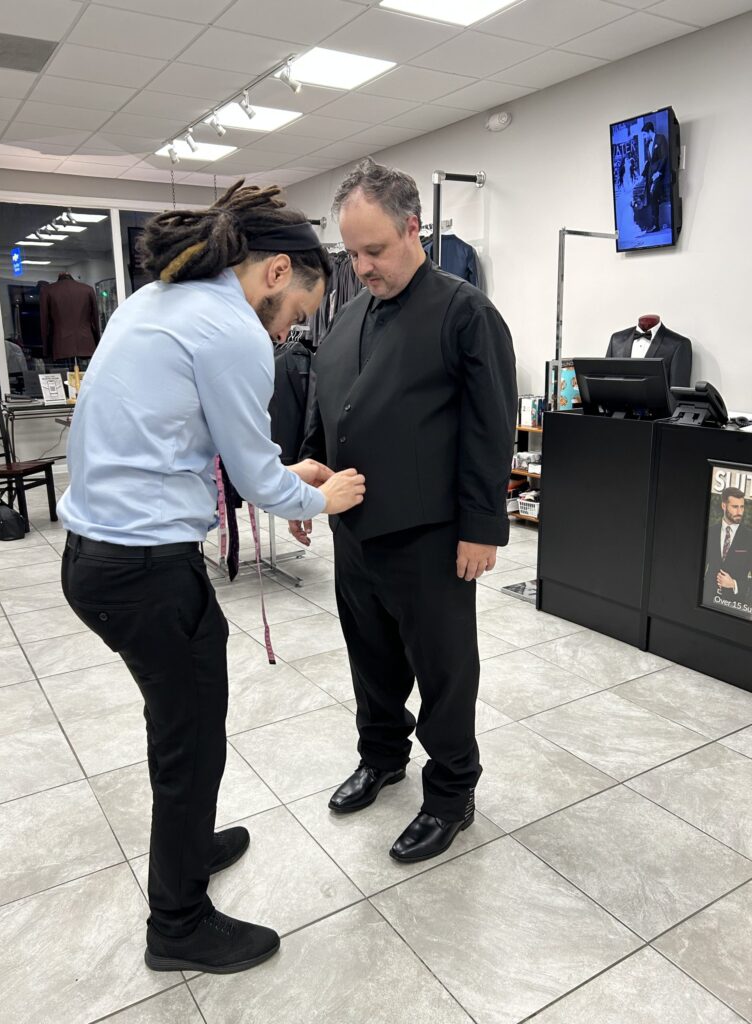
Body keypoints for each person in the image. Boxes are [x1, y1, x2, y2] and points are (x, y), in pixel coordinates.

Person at [58, 180, 366, 975]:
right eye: (300, 308)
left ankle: (189, 850)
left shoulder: (155, 301)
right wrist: (316, 494)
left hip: (97, 556)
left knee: (185, 722)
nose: (294, 324)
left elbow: (181, 438)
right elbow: (259, 479)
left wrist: (280, 472)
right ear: (273, 274)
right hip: (143, 571)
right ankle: (180, 925)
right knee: (191, 742)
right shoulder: (231, 330)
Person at [293, 158, 517, 863]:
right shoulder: (352, 312)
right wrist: (306, 481)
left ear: (414, 228)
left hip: (430, 535)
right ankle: (382, 754)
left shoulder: (464, 312)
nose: (362, 266)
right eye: (352, 253)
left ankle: (451, 793)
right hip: (355, 528)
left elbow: (492, 426)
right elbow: (328, 400)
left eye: (375, 250)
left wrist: (482, 528)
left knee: (445, 672)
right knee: (371, 659)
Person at [703, 486, 752, 613]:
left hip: (735, 608)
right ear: (724, 506)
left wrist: (734, 584)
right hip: (706, 604)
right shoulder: (710, 532)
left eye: (742, 506)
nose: (740, 511)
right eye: (735, 507)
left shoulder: (750, 538)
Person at [641, 121, 669, 233]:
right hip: (650, 176)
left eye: (644, 135)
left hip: (659, 174)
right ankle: (654, 224)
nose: (643, 137)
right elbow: (650, 162)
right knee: (651, 198)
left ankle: (655, 225)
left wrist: (659, 172)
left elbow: (665, 157)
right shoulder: (648, 145)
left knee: (653, 196)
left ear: (649, 132)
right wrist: (643, 174)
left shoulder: (660, 139)